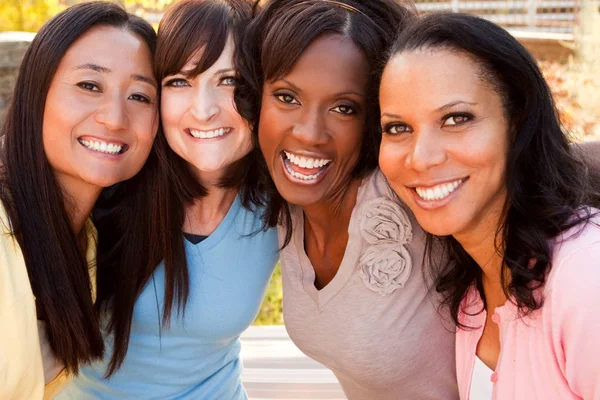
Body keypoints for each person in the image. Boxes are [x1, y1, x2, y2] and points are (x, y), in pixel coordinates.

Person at [235, 0, 459, 398]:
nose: (309, 133)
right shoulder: (286, 205)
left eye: (343, 108)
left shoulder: (412, 193)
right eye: (287, 97)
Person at [60, 1, 278, 398]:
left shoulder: (281, 201)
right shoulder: (107, 182)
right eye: (180, 81)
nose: (204, 109)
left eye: (229, 80)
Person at [378, 13, 600, 399]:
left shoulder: (584, 277)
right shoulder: (472, 295)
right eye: (398, 128)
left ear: (516, 124)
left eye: (456, 118)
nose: (420, 158)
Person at [0, 2, 158, 399]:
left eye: (140, 96)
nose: (115, 118)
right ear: (38, 93)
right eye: (90, 86)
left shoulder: (85, 237)